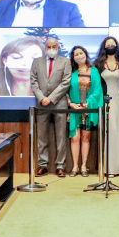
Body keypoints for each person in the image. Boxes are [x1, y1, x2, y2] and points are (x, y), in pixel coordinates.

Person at [30, 37, 72, 176]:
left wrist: (51, 98)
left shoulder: (65, 62)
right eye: (49, 47)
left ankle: (60, 166)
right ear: (45, 48)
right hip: (42, 104)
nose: (51, 49)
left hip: (59, 103)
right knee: (41, 136)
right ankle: (42, 165)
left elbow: (66, 82)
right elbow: (34, 82)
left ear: (58, 48)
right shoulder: (36, 62)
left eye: (54, 47)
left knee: (61, 136)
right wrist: (42, 98)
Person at [94, 36, 119, 176]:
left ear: (117, 46)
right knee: (106, 134)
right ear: (104, 47)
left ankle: (118, 168)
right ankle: (106, 168)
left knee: (118, 133)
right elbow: (96, 86)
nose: (110, 46)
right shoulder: (98, 64)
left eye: (112, 44)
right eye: (107, 44)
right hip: (103, 102)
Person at [67, 46, 102, 177]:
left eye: (81, 53)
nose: (79, 56)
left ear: (86, 55)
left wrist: (87, 104)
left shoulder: (94, 71)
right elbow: (65, 91)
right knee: (74, 138)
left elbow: (97, 91)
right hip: (74, 110)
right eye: (76, 54)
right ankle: (75, 166)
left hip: (88, 110)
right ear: (73, 58)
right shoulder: (71, 73)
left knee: (85, 138)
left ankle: (84, 167)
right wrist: (71, 104)